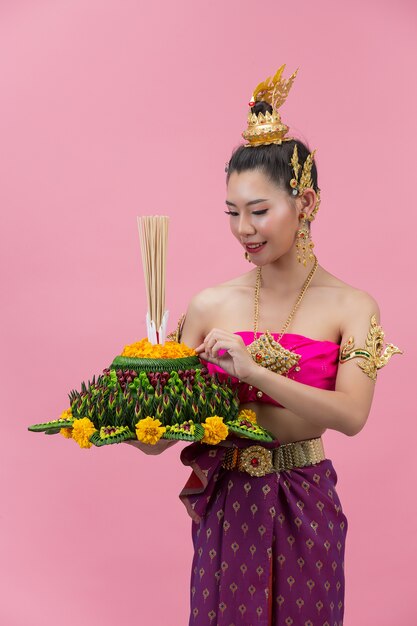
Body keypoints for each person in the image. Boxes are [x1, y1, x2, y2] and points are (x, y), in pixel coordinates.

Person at [128, 64, 403, 625]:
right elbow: (166, 435)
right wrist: (135, 417)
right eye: (232, 213)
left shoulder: (352, 306)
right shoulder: (210, 305)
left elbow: (352, 416)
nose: (243, 229)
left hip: (305, 497)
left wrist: (255, 373)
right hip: (229, 501)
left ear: (305, 204)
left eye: (259, 211)